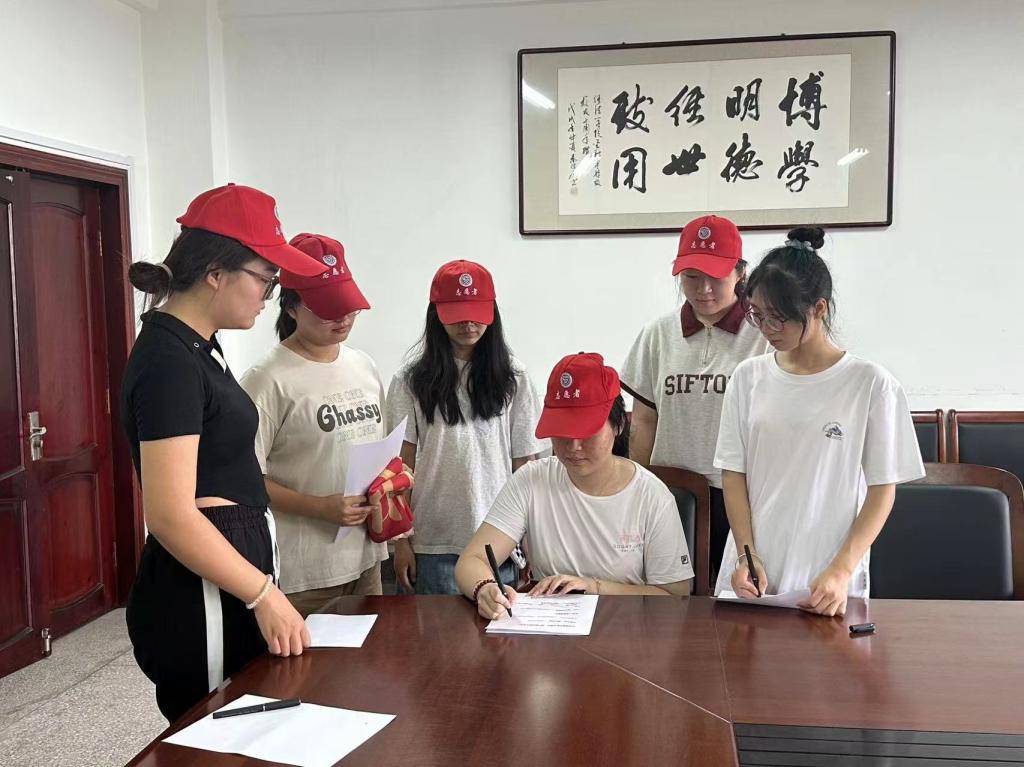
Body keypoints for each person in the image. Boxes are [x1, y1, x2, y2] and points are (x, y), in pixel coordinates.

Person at [122, 184, 322, 722]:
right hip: (201, 590)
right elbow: (169, 513)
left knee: (255, 721)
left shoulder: (199, 346)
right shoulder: (168, 361)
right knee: (214, 731)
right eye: (265, 279)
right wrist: (263, 595)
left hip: (229, 569)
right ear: (216, 273)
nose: (269, 296)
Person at [714, 227, 925, 617]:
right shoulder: (747, 378)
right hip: (753, 575)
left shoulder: (870, 384)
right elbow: (733, 473)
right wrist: (746, 555)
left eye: (779, 318)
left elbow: (882, 490)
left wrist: (841, 570)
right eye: (758, 315)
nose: (767, 329)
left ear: (819, 308)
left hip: (829, 577)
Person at [455, 353, 694, 620]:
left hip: (627, 630)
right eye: (563, 432)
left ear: (618, 425)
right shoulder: (532, 480)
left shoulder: (652, 496)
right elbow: (472, 561)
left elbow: (675, 596)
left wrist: (592, 587)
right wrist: (485, 588)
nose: (574, 446)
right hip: (550, 629)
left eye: (587, 432)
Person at [240, 232, 390, 618]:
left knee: (374, 653)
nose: (342, 318)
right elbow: (244, 480)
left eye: (348, 307)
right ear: (291, 308)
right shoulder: (267, 380)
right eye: (327, 309)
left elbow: (377, 452)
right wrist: (318, 507)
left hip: (366, 557)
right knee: (309, 659)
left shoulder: (363, 366)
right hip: (304, 573)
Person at [386, 260, 545, 594]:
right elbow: (399, 467)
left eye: (476, 313)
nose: (468, 323)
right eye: (456, 314)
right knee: (433, 629)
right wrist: (401, 541)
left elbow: (525, 466)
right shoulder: (410, 380)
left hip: (499, 539)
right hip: (431, 542)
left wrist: (530, 537)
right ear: (436, 314)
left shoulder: (514, 377)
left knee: (499, 626)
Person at [621, 215, 766, 580]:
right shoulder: (658, 334)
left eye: (716, 277)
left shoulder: (764, 335)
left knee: (739, 594)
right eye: (691, 277)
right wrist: (638, 489)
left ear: (741, 273)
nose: (704, 289)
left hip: (743, 495)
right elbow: (644, 422)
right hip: (671, 494)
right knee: (670, 594)